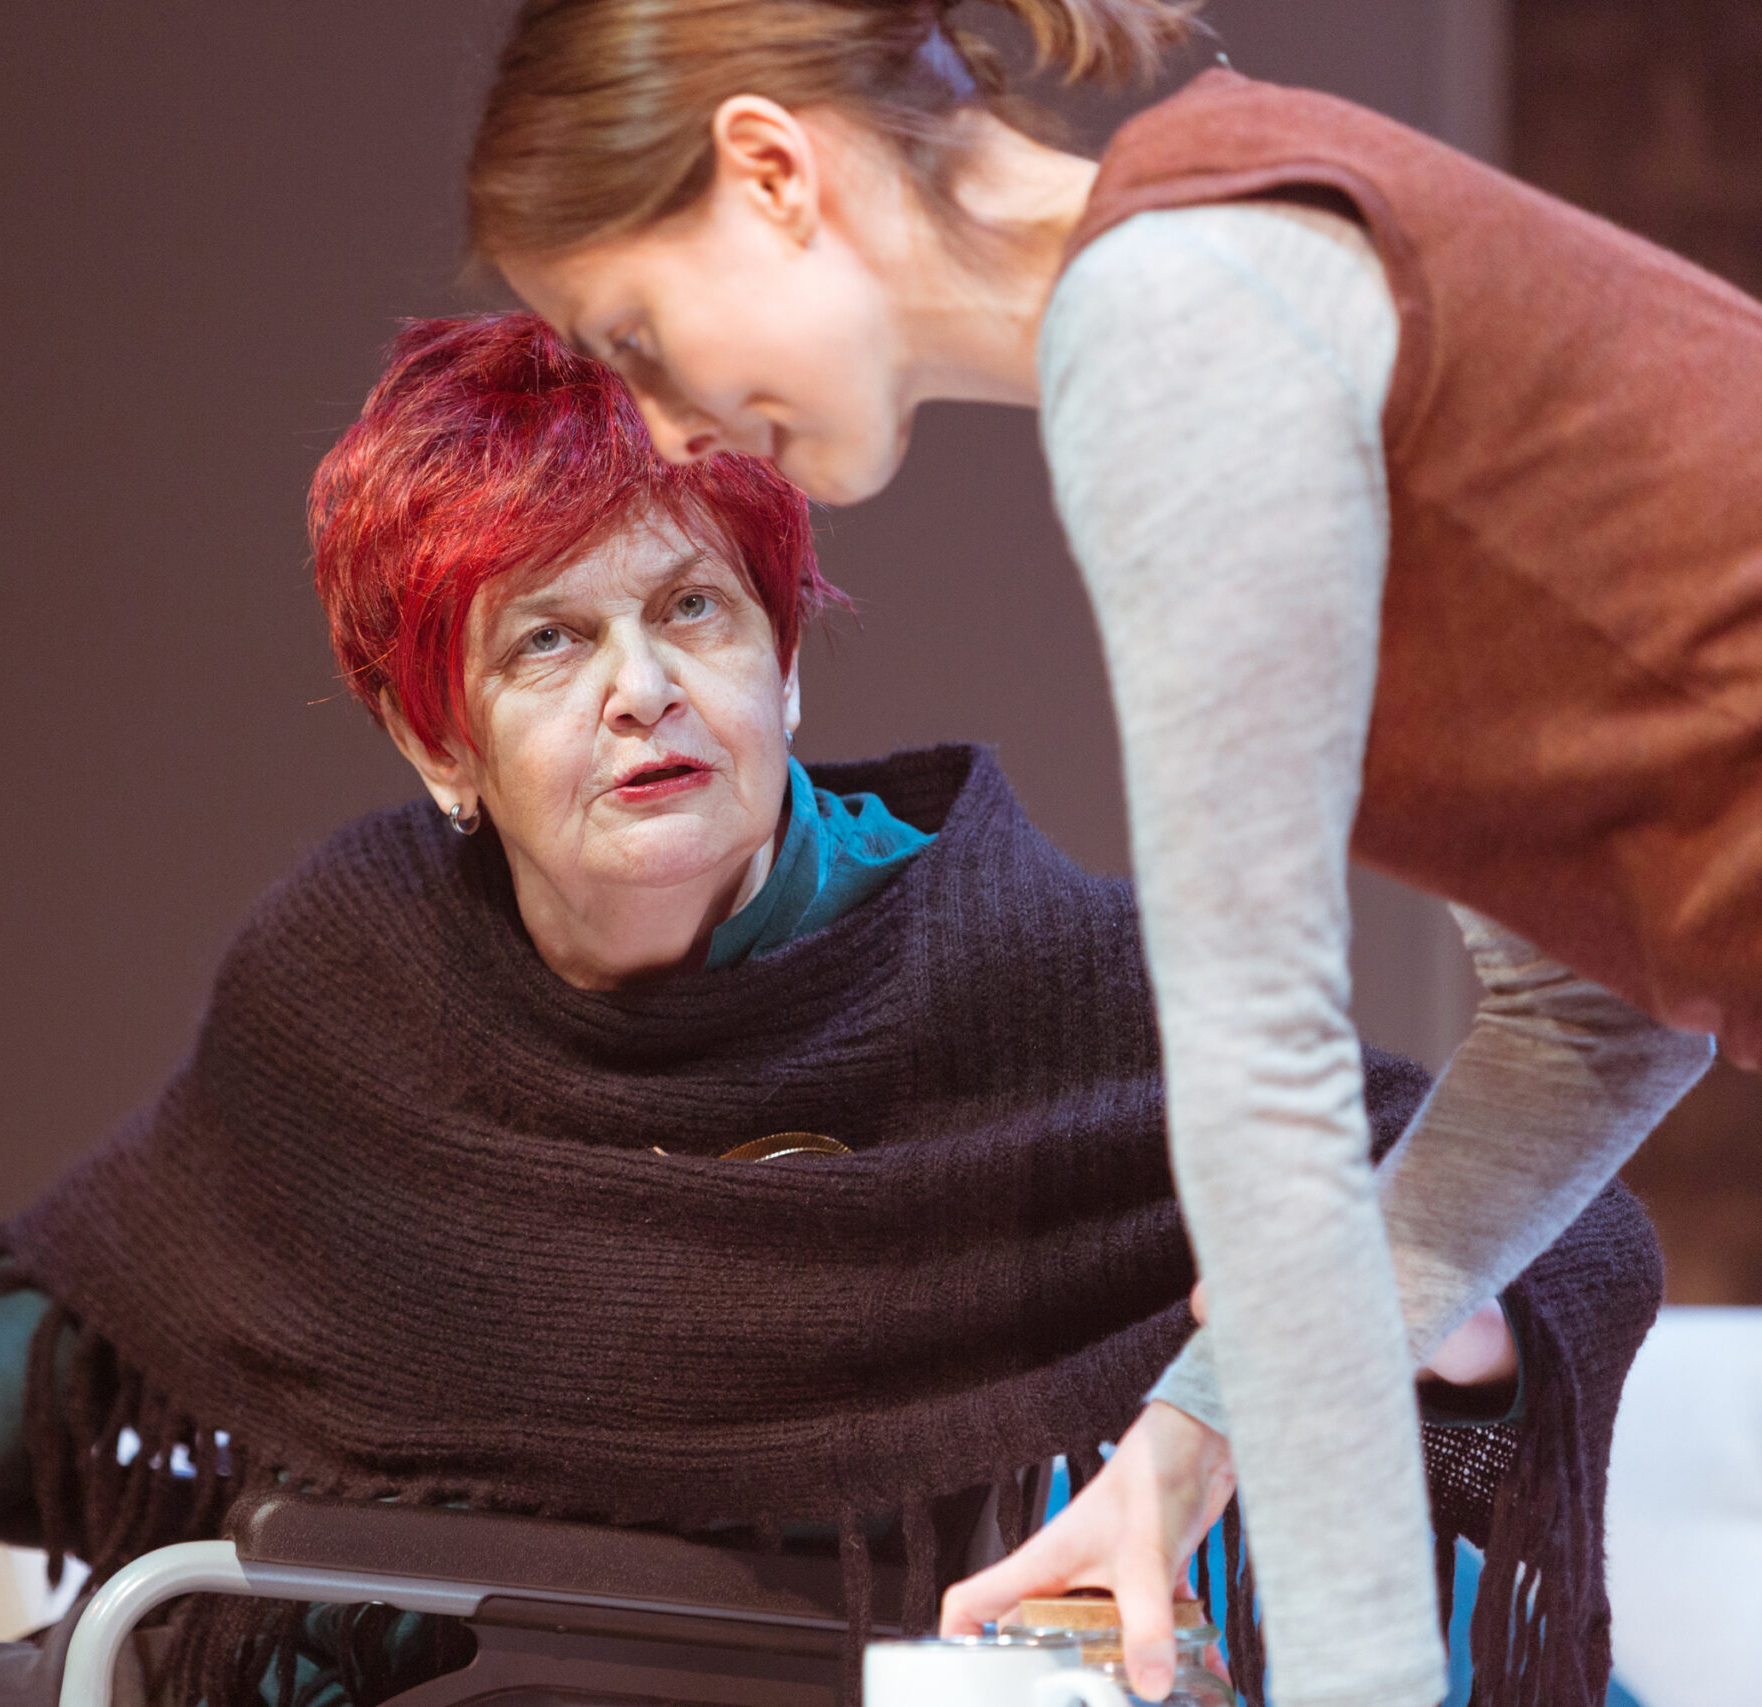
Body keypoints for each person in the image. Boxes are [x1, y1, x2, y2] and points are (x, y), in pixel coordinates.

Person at [0, 315, 1646, 1707]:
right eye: (549, 640)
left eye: (694, 610)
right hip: (414, 1658)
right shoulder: (359, 972)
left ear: (785, 666)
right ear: (436, 739)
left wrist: (1430, 1309)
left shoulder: (1022, 971)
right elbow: (123, 1295)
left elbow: (1547, 1229)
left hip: (852, 1673)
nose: (644, 687)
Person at [460, 3, 1753, 1701]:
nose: (666, 423)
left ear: (771, 172)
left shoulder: (1170, 325)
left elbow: (1263, 1073)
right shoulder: (1219, 240)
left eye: (634, 332)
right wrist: (1197, 1436)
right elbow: (1600, 1011)